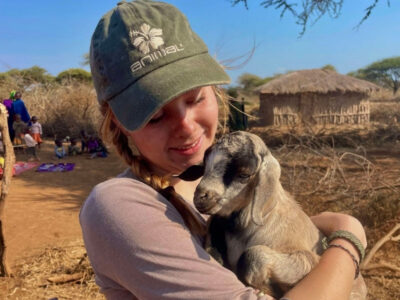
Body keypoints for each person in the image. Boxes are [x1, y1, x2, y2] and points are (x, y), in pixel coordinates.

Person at [79, 1, 367, 300]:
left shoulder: (233, 181)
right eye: (155, 116)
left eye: (195, 99)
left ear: (215, 91)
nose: (187, 127)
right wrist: (349, 237)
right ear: (120, 122)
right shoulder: (118, 205)